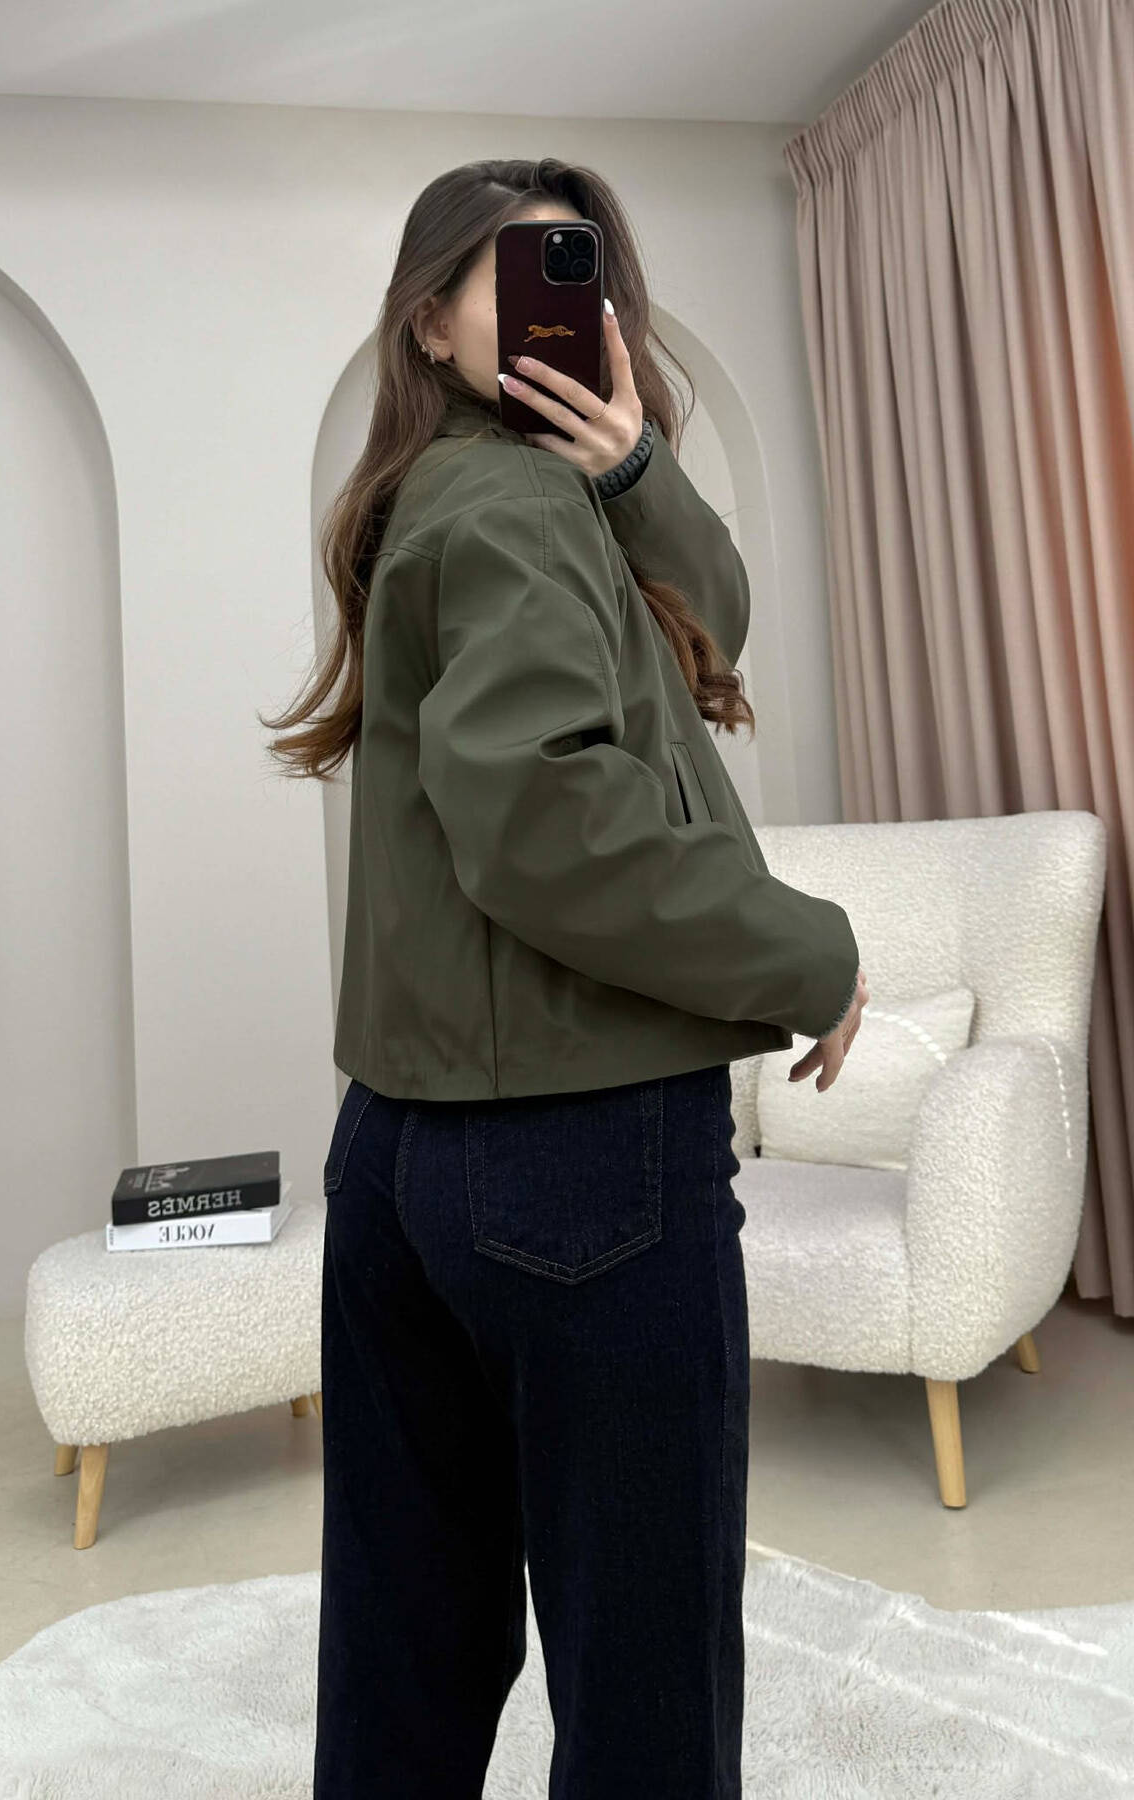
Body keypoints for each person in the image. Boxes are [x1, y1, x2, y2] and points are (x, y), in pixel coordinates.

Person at [261, 156, 868, 1800]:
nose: (567, 307)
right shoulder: (514, 511)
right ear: (431, 326)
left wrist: (637, 466)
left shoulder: (483, 498)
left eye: (582, 275)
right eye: (517, 276)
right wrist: (815, 953)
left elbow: (714, 628)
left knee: (407, 1640)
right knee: (645, 1672)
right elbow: (545, 820)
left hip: (402, 1153)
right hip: (585, 1154)